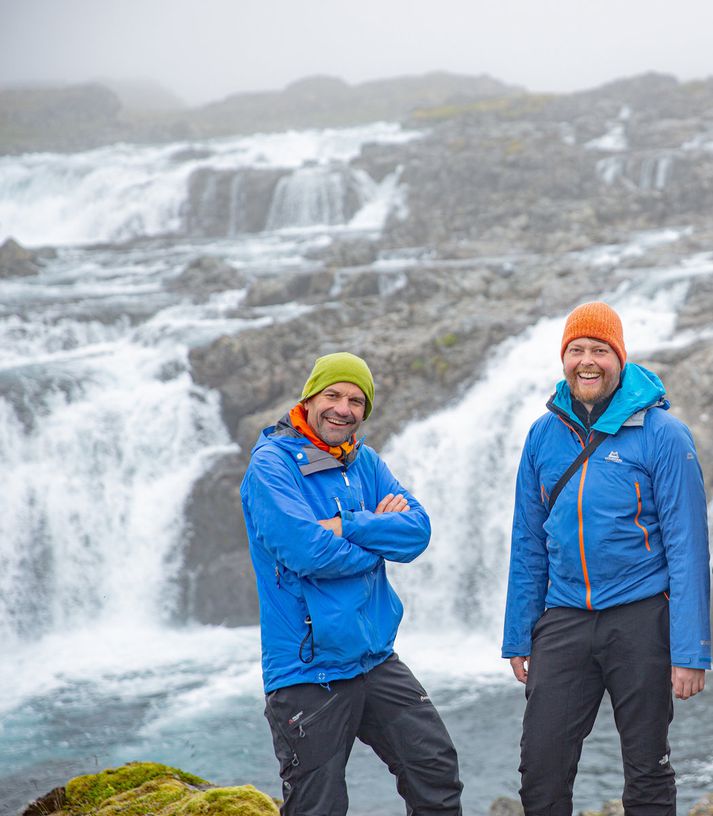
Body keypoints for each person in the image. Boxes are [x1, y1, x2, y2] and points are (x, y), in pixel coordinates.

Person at [502, 301, 711, 815]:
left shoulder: (663, 434)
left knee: (647, 767)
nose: (587, 361)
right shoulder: (542, 435)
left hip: (641, 616)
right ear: (564, 358)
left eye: (599, 350)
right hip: (565, 616)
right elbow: (528, 541)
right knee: (541, 769)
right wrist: (518, 633)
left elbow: (689, 547)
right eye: (577, 350)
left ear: (619, 357)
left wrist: (691, 651)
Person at [241, 351, 462, 816]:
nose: (344, 408)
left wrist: (343, 525)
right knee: (318, 806)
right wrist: (377, 537)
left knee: (435, 769)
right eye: (333, 395)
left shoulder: (365, 461)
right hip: (308, 669)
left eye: (357, 401)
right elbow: (306, 551)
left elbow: (418, 531)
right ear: (310, 397)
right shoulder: (271, 466)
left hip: (373, 659)